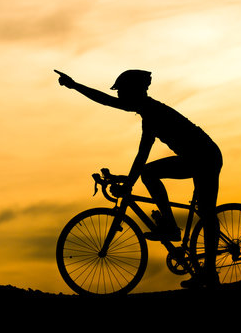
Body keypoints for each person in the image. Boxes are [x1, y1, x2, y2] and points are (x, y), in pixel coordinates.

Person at [54, 69, 223, 288]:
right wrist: (128, 180)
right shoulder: (149, 113)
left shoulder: (152, 112)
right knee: (150, 173)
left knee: (207, 212)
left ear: (134, 91)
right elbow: (141, 156)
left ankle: (204, 267)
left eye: (122, 91)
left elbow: (107, 103)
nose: (119, 96)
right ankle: (175, 232)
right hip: (196, 157)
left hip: (206, 158)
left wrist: (75, 86)